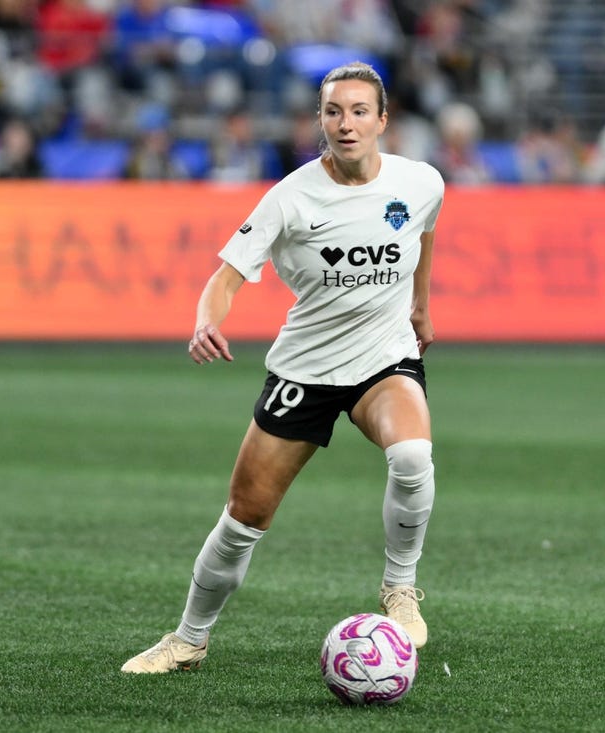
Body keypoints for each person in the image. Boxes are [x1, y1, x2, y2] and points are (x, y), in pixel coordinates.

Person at [120, 61, 444, 674]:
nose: (345, 124)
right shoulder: (290, 198)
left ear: (381, 120)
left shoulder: (421, 181)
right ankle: (189, 639)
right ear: (319, 120)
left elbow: (424, 232)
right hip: (306, 371)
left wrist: (421, 306)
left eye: (357, 111)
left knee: (412, 456)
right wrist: (206, 320)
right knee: (245, 518)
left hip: (385, 357)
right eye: (332, 112)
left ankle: (400, 589)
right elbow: (227, 276)